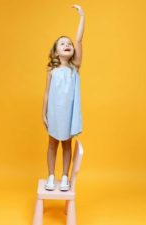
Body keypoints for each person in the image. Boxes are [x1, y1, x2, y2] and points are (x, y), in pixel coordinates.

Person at [42, 4, 85, 191]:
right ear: (55, 52)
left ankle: (65, 177)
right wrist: (43, 113)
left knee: (66, 145)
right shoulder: (52, 70)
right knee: (52, 144)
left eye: (69, 44)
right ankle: (51, 176)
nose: (68, 45)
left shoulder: (74, 67)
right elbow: (46, 93)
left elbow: (79, 40)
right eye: (62, 43)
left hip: (68, 115)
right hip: (54, 112)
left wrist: (82, 17)